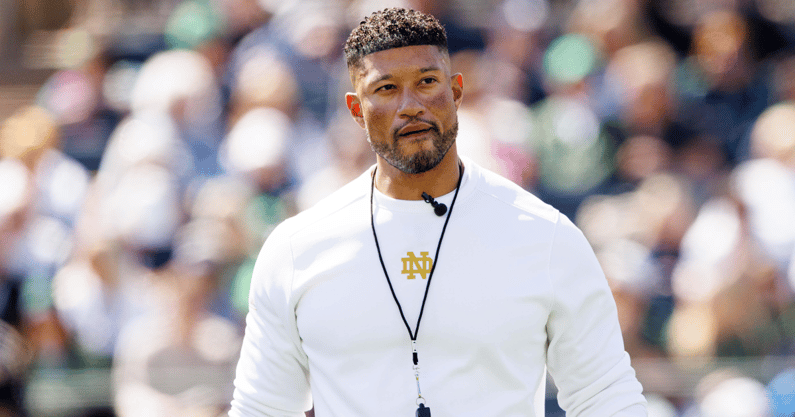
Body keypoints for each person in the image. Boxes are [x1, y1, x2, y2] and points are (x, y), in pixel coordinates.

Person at [230, 7, 647, 417]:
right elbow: (262, 409)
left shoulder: (545, 235)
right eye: (386, 88)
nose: (411, 105)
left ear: (456, 92)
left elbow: (605, 396)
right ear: (356, 110)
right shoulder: (296, 249)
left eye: (427, 82)